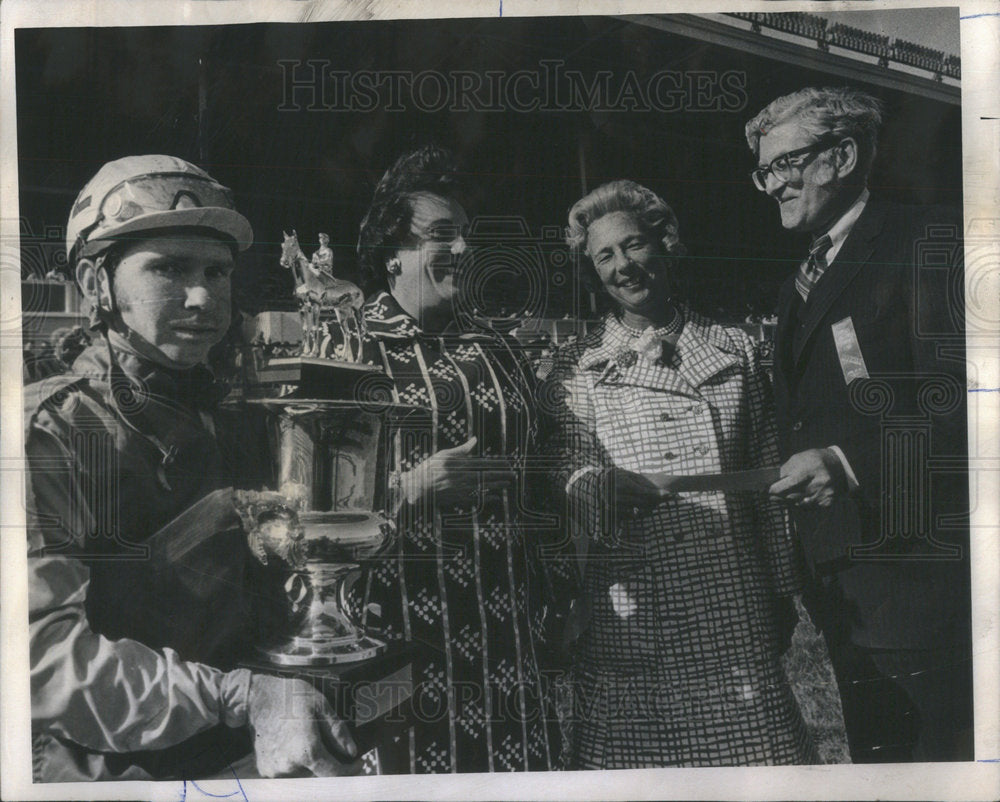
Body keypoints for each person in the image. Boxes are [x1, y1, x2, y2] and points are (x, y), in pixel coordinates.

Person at [26, 155, 360, 781]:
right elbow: (41, 660)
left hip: (248, 749)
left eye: (217, 270)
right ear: (98, 283)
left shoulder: (234, 414)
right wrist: (239, 695)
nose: (203, 295)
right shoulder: (53, 429)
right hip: (110, 772)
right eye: (168, 268)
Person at [543, 179, 816, 768]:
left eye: (634, 245)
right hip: (632, 605)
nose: (624, 266)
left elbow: (769, 484)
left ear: (665, 245)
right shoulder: (576, 368)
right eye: (605, 256)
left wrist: (781, 588)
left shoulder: (735, 351)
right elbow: (570, 462)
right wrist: (592, 487)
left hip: (732, 600)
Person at [745, 87, 971, 762]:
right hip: (843, 588)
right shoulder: (797, 285)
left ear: (841, 156)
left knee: (933, 767)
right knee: (881, 763)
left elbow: (967, 400)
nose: (772, 186)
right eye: (764, 172)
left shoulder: (927, 239)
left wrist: (846, 462)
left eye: (784, 164)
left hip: (919, 585)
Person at [355, 145, 572, 773]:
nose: (465, 249)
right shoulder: (350, 348)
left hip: (507, 633)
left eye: (466, 235)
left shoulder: (498, 347)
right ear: (391, 253)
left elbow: (541, 475)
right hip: (393, 632)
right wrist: (408, 488)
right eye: (442, 235)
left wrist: (562, 586)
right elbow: (307, 504)